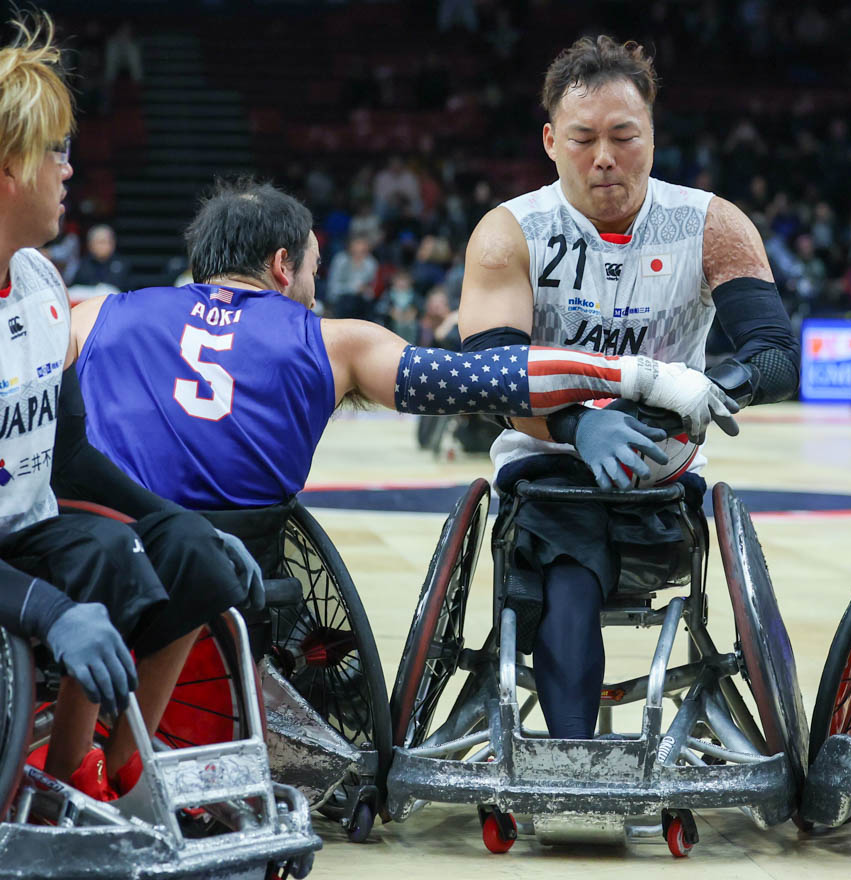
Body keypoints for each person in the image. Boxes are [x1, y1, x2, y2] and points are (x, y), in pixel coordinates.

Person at [457, 36, 799, 740]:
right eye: (582, 138)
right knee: (569, 561)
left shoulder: (711, 223)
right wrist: (578, 425)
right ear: (551, 140)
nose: (604, 156)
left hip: (663, 468)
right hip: (546, 461)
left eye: (623, 136)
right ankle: (573, 758)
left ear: (651, 135)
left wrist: (715, 385)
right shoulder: (509, 232)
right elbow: (492, 374)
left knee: (599, 543)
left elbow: (775, 354)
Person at [71, 179, 737, 513]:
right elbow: (490, 378)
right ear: (282, 267)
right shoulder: (337, 342)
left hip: (105, 550)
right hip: (232, 565)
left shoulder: (94, 315)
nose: (313, 289)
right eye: (312, 270)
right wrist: (646, 377)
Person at [0, 13, 262, 802]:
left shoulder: (42, 285)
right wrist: (47, 608)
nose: (69, 168)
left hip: (26, 532)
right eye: (55, 150)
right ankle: (59, 771)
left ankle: (105, 766)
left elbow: (69, 454)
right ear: (7, 167)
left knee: (186, 546)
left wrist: (190, 524)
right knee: (107, 563)